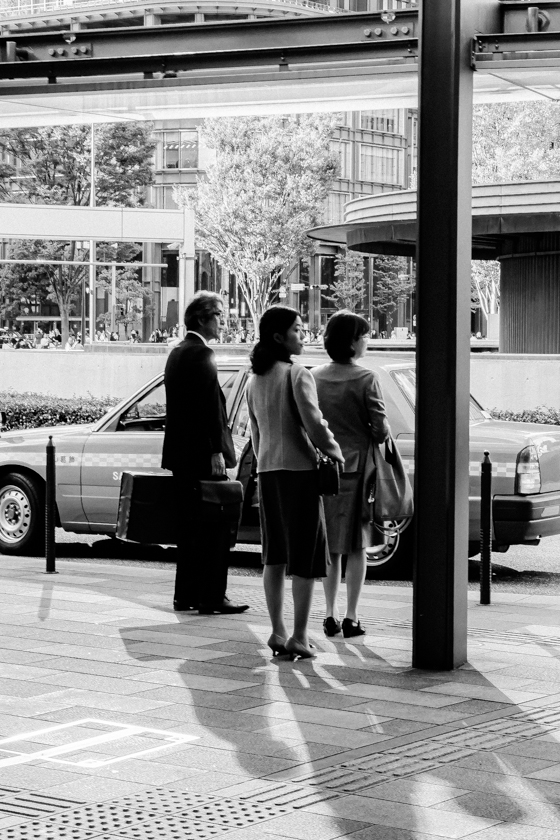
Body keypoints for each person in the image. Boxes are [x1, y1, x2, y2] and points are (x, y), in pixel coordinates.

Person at [247, 305, 344, 659]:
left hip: (268, 472)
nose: (303, 336)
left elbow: (255, 433)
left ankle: (278, 632)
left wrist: (265, 463)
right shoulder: (297, 373)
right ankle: (300, 637)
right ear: (279, 336)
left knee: (274, 556)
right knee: (306, 557)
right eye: (298, 330)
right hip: (299, 474)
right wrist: (335, 452)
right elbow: (314, 423)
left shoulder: (255, 378)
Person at [162, 290, 249, 615]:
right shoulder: (202, 353)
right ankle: (212, 596)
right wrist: (216, 451)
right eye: (218, 315)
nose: (222, 321)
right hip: (201, 455)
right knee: (214, 526)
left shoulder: (177, 352)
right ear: (201, 318)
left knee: (188, 528)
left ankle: (185, 595)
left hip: (180, 456)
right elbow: (209, 409)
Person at [312, 310, 390, 639]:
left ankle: (328, 614)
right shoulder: (366, 378)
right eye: (364, 336)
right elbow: (381, 430)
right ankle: (351, 617)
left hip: (324, 470)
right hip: (358, 471)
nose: (367, 341)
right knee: (357, 546)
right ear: (353, 341)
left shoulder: (314, 376)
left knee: (330, 544)